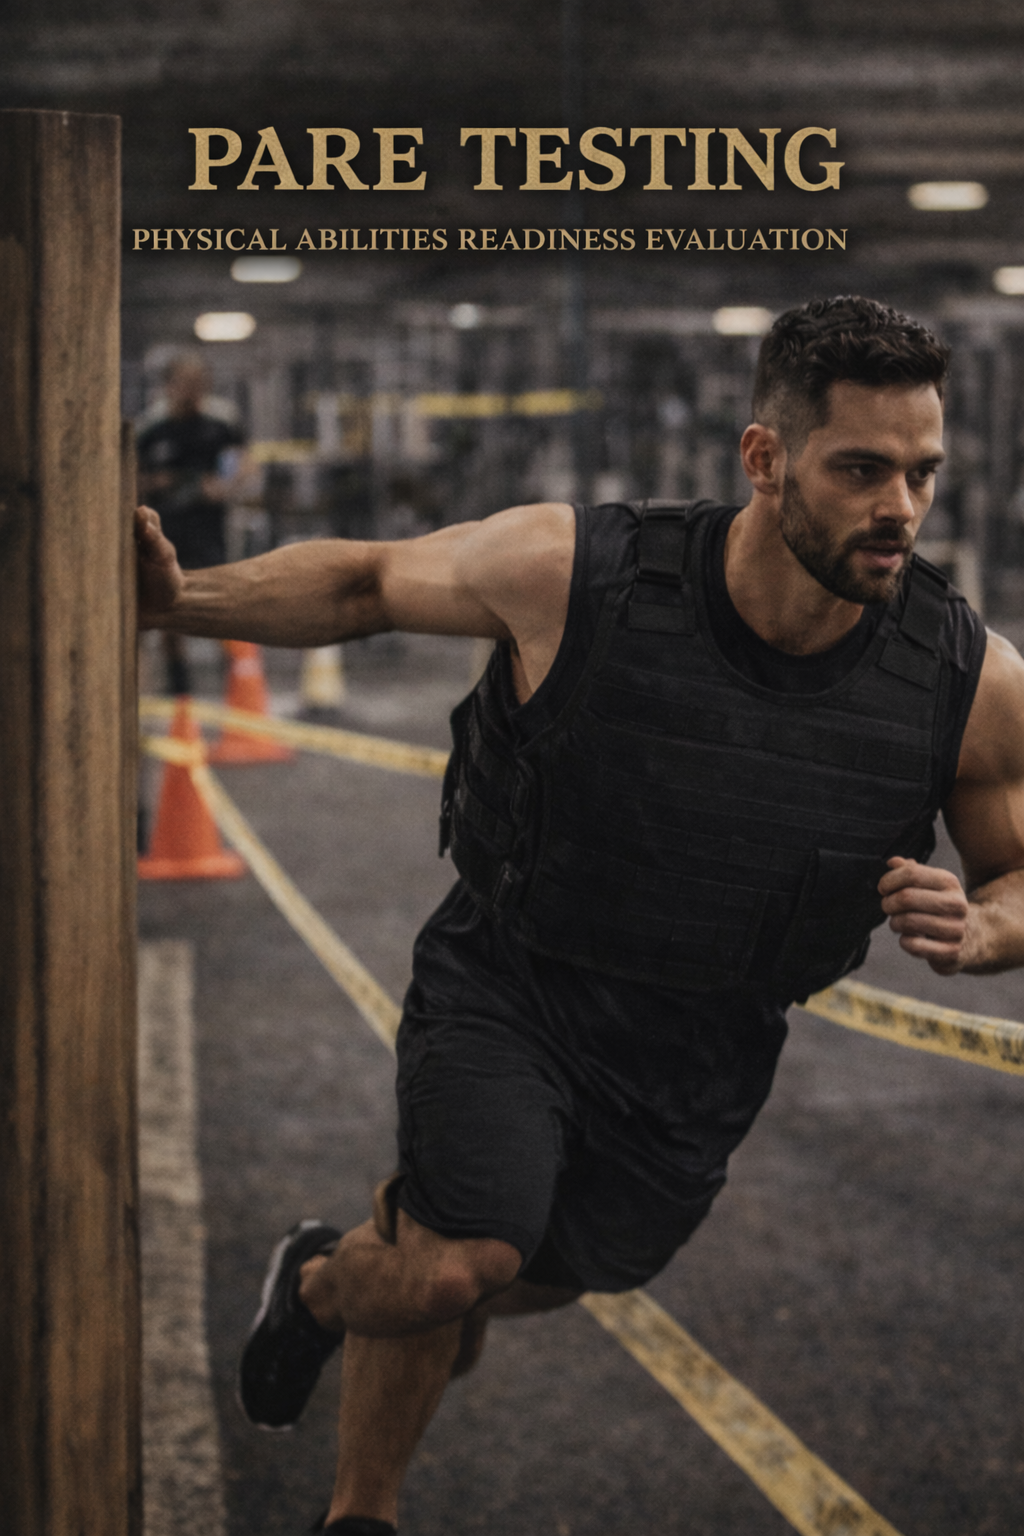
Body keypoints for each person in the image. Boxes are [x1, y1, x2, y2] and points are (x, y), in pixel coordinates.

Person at [135, 296, 1024, 1536]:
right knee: (461, 1258)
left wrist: (986, 931)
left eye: (923, 473)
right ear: (765, 460)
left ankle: (346, 1278)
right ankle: (356, 1469)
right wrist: (174, 602)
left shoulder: (966, 677)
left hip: (703, 1043)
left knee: (543, 1275)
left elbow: (1018, 873)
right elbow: (360, 583)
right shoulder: (584, 572)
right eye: (861, 469)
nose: (901, 508)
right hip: (516, 978)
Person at [137, 353, 250, 694]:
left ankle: (237, 683)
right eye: (186, 384)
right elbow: (132, 476)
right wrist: (158, 483)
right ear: (170, 386)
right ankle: (179, 691)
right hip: (166, 533)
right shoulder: (151, 429)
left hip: (210, 530)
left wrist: (225, 485)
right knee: (170, 610)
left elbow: (242, 461)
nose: (193, 391)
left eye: (199, 384)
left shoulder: (220, 422)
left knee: (220, 605)